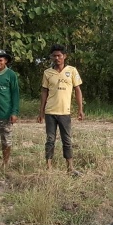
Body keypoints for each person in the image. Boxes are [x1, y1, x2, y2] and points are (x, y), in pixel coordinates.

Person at [37, 44, 84, 175]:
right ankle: (48, 167)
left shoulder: (72, 71)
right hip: (50, 112)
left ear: (64, 56)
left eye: (59, 55)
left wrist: (80, 109)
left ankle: (70, 168)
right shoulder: (47, 73)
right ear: (51, 57)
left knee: (67, 140)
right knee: (50, 140)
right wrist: (41, 112)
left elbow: (78, 90)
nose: (57, 58)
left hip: (65, 112)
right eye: (54, 56)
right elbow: (44, 93)